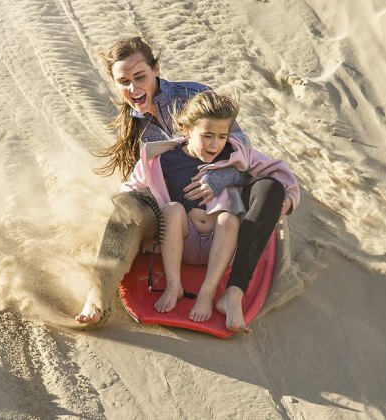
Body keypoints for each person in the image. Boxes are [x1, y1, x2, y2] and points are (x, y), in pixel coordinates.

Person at [76, 37, 292, 332]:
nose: (134, 89)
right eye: (124, 81)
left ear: (156, 69)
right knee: (131, 206)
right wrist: (141, 220)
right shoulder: (140, 133)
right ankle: (98, 292)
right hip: (180, 225)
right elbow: (139, 184)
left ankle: (233, 292)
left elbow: (239, 147)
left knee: (268, 189)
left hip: (222, 213)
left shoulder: (192, 96)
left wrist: (221, 178)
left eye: (140, 77)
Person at [121, 91, 299, 327]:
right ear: (186, 130)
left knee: (228, 219)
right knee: (173, 210)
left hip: (222, 244)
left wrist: (287, 200)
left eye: (222, 136)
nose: (215, 144)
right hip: (184, 240)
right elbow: (129, 191)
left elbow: (277, 171)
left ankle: (207, 294)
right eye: (207, 136)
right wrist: (141, 230)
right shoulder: (162, 159)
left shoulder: (235, 153)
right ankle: (175, 286)